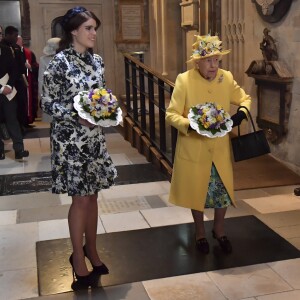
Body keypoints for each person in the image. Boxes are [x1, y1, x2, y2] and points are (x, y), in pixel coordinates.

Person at [41, 6, 117, 286]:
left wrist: (107, 107)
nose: (94, 33)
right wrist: (77, 115)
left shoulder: (97, 61)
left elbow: (100, 95)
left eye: (95, 28)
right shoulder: (59, 62)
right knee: (80, 199)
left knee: (94, 195)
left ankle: (92, 249)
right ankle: (76, 255)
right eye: (89, 28)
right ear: (74, 31)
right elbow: (46, 103)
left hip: (93, 137)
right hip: (69, 139)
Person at [165, 34, 251, 254]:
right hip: (194, 148)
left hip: (219, 149)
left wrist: (241, 113)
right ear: (197, 62)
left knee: (222, 192)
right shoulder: (185, 80)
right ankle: (200, 232)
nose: (214, 65)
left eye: (217, 60)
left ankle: (219, 230)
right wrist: (189, 125)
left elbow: (245, 98)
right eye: (209, 60)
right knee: (198, 192)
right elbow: (171, 114)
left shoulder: (226, 78)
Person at [0, 25, 29, 160]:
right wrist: (1, 88)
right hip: (1, 88)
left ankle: (19, 149)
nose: (0, 36)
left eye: (0, 33)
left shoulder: (6, 50)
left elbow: (14, 69)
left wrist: (9, 85)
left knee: (12, 119)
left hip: (8, 91)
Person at [16, 35, 39, 125]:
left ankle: (28, 120)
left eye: (19, 40)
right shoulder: (11, 51)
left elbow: (36, 66)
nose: (18, 42)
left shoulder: (29, 53)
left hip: (28, 80)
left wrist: (31, 67)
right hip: (17, 82)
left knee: (28, 100)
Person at [38, 37, 60, 122]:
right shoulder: (43, 59)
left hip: (50, 93)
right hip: (51, 94)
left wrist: (42, 96)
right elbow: (41, 79)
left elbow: (41, 80)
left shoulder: (43, 59)